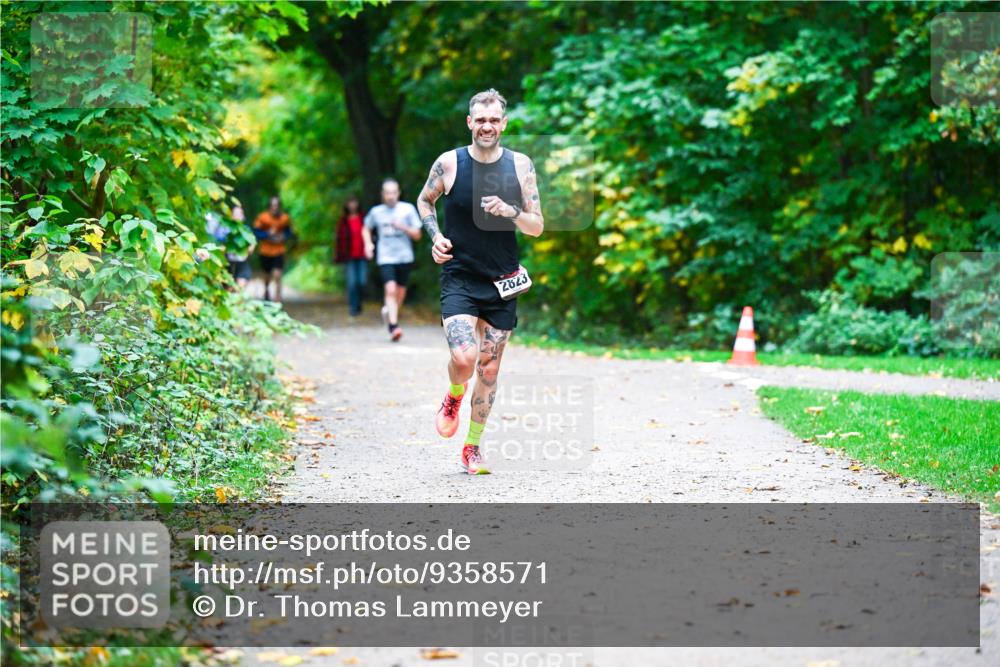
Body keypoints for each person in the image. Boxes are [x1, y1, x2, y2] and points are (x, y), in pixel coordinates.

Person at [416, 88, 543, 474]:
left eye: (494, 120)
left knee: (488, 370)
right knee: (464, 356)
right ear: (470, 122)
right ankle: (454, 395)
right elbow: (425, 201)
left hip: (502, 279)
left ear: (503, 124)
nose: (487, 126)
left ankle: (472, 447)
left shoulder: (520, 166)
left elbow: (536, 226)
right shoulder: (449, 164)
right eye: (480, 119)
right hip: (460, 275)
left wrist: (511, 211)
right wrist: (435, 236)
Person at [362, 178, 422, 341]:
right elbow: (366, 228)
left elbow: (417, 235)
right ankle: (393, 326)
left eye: (393, 192)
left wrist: (403, 227)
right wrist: (368, 244)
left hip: (404, 256)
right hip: (385, 256)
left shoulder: (408, 209)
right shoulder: (376, 212)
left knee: (400, 292)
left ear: (398, 193)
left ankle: (389, 312)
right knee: (390, 290)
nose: (390, 196)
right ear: (382, 194)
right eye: (387, 193)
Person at [205, 206, 255, 290]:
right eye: (235, 214)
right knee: (228, 290)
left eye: (239, 214)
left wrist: (246, 251)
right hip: (228, 263)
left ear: (243, 216)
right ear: (231, 216)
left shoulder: (246, 230)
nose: (237, 216)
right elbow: (218, 244)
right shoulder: (224, 230)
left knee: (240, 288)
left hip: (242, 263)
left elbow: (252, 245)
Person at [253, 196, 291, 303]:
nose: (275, 208)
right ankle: (266, 290)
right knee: (267, 275)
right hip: (265, 251)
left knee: (277, 274)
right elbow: (256, 232)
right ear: (269, 206)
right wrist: (267, 234)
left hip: (279, 250)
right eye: (273, 205)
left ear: (279, 206)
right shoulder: (262, 217)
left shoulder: (284, 218)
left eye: (277, 205)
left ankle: (278, 298)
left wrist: (283, 236)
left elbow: (288, 232)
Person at [335, 195, 368, 317]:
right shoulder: (343, 221)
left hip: (362, 254)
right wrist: (339, 255)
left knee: (362, 281)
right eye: (350, 203)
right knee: (352, 282)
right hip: (349, 255)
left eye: (354, 202)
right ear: (346, 205)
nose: (352, 205)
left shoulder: (363, 218)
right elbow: (339, 240)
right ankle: (353, 307)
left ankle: (359, 303)